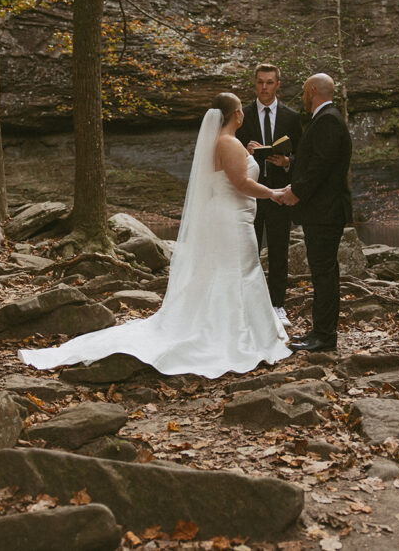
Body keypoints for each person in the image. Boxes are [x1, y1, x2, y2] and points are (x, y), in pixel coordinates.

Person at [19, 93, 291, 378]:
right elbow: (241, 183)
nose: (243, 114)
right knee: (240, 270)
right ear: (236, 114)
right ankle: (238, 335)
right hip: (232, 219)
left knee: (228, 271)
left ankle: (239, 327)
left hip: (225, 215)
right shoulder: (228, 142)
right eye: (240, 109)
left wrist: (251, 155)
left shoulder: (219, 143)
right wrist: (273, 194)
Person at [279, 73, 352, 353]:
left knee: (324, 273)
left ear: (311, 90)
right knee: (323, 272)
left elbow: (320, 167)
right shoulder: (327, 118)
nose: (303, 97)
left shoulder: (328, 119)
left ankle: (324, 336)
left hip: (325, 211)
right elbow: (315, 160)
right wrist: (289, 162)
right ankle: (320, 332)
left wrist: (296, 192)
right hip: (322, 210)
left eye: (304, 91)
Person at [236, 63, 302, 326]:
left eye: (269, 82)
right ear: (255, 84)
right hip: (248, 196)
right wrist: (246, 152)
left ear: (278, 85)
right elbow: (228, 153)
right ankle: (246, 306)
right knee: (247, 251)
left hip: (279, 195)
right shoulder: (242, 115)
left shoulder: (291, 117)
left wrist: (287, 162)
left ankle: (277, 305)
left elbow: (303, 156)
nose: (264, 87)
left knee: (278, 251)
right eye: (260, 82)